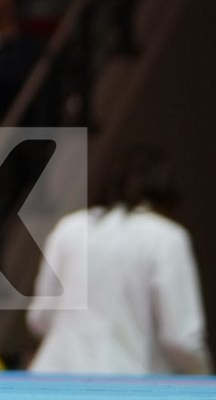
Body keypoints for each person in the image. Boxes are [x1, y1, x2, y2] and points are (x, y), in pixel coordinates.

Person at [28, 145, 210, 374]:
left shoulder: (69, 228)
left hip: (54, 377)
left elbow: (39, 318)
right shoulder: (166, 237)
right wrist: (204, 380)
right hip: (126, 387)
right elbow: (181, 337)